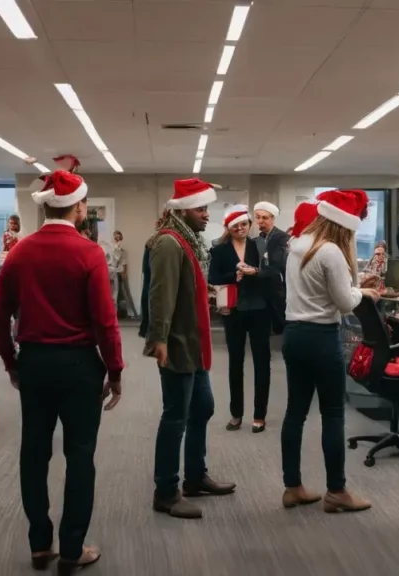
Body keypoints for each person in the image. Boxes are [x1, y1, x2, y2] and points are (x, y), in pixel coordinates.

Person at [0, 170, 123, 575]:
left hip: (34, 363)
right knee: (80, 455)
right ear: (78, 206)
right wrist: (115, 371)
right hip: (80, 365)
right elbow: (105, 320)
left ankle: (39, 545)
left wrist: (11, 363)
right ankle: (71, 550)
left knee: (34, 452)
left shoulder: (20, 252)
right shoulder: (88, 253)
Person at [281, 189, 378, 513]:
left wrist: (353, 287)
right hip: (322, 338)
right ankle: (336, 491)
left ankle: (292, 486)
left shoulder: (298, 245)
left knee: (295, 414)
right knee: (333, 415)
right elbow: (344, 302)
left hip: (293, 335)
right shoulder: (331, 252)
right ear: (343, 225)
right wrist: (363, 293)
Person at [144, 177, 236, 519]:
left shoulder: (189, 241)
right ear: (181, 210)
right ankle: (166, 491)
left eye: (206, 208)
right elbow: (160, 295)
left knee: (203, 408)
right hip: (178, 343)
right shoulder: (169, 243)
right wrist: (159, 340)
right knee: (176, 417)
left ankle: (195, 477)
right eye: (200, 209)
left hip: (195, 343)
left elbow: (186, 288)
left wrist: (209, 296)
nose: (206, 215)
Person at [208, 205, 272, 433]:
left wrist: (255, 272)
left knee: (262, 362)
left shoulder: (260, 245)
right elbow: (213, 277)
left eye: (244, 224)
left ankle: (259, 414)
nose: (241, 228)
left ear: (249, 224)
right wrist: (233, 275)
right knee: (236, 363)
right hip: (233, 310)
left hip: (259, 309)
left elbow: (272, 274)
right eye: (236, 226)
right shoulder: (220, 250)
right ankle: (236, 413)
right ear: (229, 228)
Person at [253, 201, 289, 334]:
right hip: (260, 289)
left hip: (277, 290)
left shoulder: (282, 238)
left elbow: (277, 267)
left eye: (265, 218)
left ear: (273, 218)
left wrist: (255, 272)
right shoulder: (257, 239)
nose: (260, 221)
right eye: (257, 217)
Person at [110, 231, 138, 319]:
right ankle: (113, 313)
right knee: (114, 294)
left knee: (126, 293)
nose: (118, 239)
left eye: (119, 238)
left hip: (120, 272)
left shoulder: (123, 251)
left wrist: (124, 273)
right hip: (112, 273)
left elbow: (124, 263)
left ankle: (133, 313)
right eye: (116, 238)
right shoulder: (110, 249)